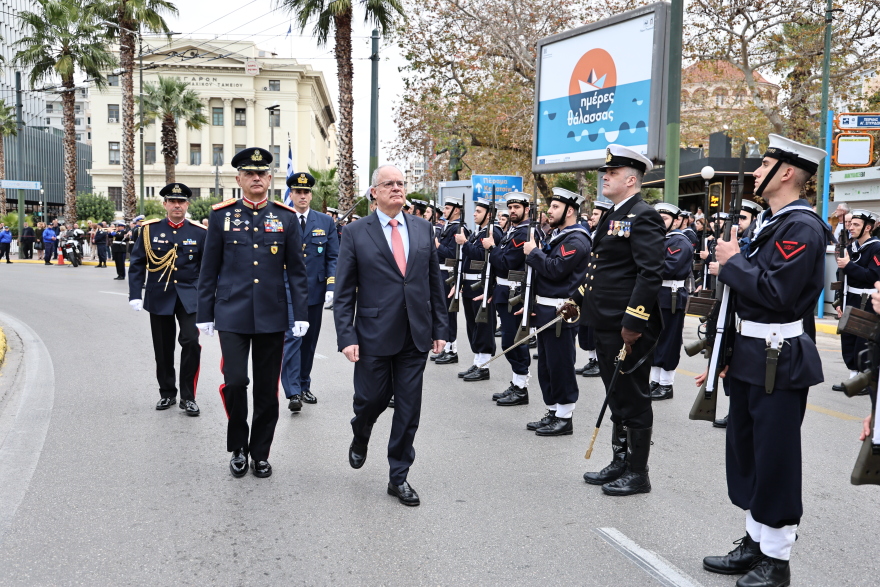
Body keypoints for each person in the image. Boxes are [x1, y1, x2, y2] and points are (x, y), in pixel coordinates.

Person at [700, 134, 831, 587]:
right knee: (747, 451)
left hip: (778, 355)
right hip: (753, 353)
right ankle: (755, 542)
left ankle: (776, 560)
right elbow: (743, 299)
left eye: (765, 165)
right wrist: (724, 353)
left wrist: (733, 263)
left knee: (775, 457)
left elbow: (777, 293)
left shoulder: (802, 228)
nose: (756, 172)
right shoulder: (771, 225)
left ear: (788, 173)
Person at [334, 164, 446, 506]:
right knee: (371, 400)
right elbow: (343, 292)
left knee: (409, 408)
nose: (397, 188)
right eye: (389, 184)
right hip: (372, 334)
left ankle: (398, 476)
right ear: (374, 192)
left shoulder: (423, 228)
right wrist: (347, 336)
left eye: (400, 183)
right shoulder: (356, 233)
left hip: (416, 334)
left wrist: (441, 328)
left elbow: (433, 283)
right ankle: (361, 431)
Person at [196, 147, 309, 479]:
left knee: (265, 389)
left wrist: (299, 313)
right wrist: (205, 313)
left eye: (261, 173)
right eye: (249, 173)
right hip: (231, 313)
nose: (256, 178)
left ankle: (260, 452)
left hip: (272, 315)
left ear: (270, 178)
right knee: (235, 382)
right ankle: (238, 447)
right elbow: (208, 269)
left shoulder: (286, 217)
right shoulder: (221, 216)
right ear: (239, 179)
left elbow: (298, 272)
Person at [581, 145, 664, 497]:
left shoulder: (643, 215)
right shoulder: (615, 215)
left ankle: (638, 471)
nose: (605, 176)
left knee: (632, 397)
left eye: (612, 173)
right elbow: (600, 269)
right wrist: (576, 300)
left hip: (625, 326)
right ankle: (620, 460)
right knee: (616, 394)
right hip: (605, 321)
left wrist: (634, 322)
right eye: (605, 172)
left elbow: (650, 273)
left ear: (631, 180)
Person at [128, 183, 207, 415]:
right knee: (163, 348)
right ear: (164, 204)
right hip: (159, 294)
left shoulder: (200, 232)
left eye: (181, 201)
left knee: (191, 342)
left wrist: (207, 297)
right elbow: (137, 264)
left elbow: (206, 268)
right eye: (172, 201)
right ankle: (167, 393)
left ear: (187, 205)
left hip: (189, 296)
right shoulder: (148, 230)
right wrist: (135, 294)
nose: (176, 205)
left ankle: (188, 397)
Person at [521, 188, 590, 435]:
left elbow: (554, 269)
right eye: (550, 207)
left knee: (561, 365)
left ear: (569, 211)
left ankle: (565, 416)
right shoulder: (559, 235)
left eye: (555, 207)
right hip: (546, 309)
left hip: (561, 312)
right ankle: (553, 411)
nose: (549, 211)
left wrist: (534, 253)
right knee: (547, 366)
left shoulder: (577, 240)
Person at [280, 171, 339, 412]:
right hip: (286, 290)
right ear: (291, 194)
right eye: (298, 192)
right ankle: (293, 391)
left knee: (309, 342)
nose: (302, 196)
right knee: (292, 337)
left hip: (315, 289)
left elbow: (333, 256)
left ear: (310, 194)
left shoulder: (324, 222)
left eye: (306, 192)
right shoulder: (281, 218)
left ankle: (304, 384)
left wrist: (331, 285)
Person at [485, 193, 534, 405]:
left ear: (526, 209)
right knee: (509, 341)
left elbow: (506, 263)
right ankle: (516, 382)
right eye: (510, 207)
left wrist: (492, 248)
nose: (512, 210)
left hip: (515, 294)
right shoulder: (512, 231)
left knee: (513, 342)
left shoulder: (525, 233)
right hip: (504, 292)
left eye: (516, 207)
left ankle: (521, 387)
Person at [831, 209, 880, 395]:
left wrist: (849, 266)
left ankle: (865, 379)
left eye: (856, 225)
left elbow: (874, 275)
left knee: (863, 339)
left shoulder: (876, 247)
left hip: (867, 298)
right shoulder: (851, 248)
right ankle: (853, 376)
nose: (851, 228)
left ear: (868, 228)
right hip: (849, 297)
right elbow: (841, 276)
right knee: (849, 338)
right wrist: (838, 302)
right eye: (850, 224)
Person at [648, 203, 693, 400]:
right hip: (658, 295)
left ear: (676, 221)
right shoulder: (661, 240)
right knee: (656, 340)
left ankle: (666, 384)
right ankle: (655, 380)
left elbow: (668, 268)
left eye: (664, 219)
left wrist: (645, 261)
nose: (660, 222)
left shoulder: (679, 242)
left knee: (669, 341)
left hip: (671, 296)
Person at [456, 197, 503, 382]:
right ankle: (477, 362)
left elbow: (483, 257)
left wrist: (464, 243)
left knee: (483, 326)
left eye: (478, 211)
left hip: (482, 285)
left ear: (489, 215)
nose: (474, 214)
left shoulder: (493, 232)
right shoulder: (479, 232)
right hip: (469, 285)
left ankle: (484, 366)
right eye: (475, 211)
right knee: (472, 326)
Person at [576, 200, 612, 377]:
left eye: (596, 214)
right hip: (589, 285)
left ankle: (599, 361)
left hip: (601, 288)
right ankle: (592, 360)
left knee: (597, 326)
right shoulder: (594, 233)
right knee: (588, 327)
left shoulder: (608, 234)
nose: (592, 217)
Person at [433, 195, 469, 364]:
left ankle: (452, 349)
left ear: (456, 210)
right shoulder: (448, 226)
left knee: (449, 312)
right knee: (442, 311)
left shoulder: (459, 228)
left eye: (447, 208)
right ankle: (446, 346)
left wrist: (438, 246)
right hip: (440, 272)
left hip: (449, 274)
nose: (444, 211)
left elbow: (454, 255)